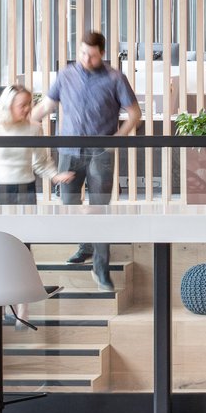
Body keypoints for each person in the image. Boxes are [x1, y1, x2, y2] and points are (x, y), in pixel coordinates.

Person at [48, 31, 142, 291]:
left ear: (102, 53)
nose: (85, 59)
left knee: (100, 208)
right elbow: (47, 105)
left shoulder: (115, 78)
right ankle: (86, 244)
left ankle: (101, 268)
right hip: (69, 150)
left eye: (91, 55)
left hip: (100, 152)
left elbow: (134, 113)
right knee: (69, 204)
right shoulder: (65, 75)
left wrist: (117, 139)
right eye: (82, 53)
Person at [0, 84, 55, 206]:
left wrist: (55, 176)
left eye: (29, 103)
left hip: (27, 190)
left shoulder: (35, 128)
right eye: (22, 105)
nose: (28, 108)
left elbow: (41, 162)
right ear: (8, 106)